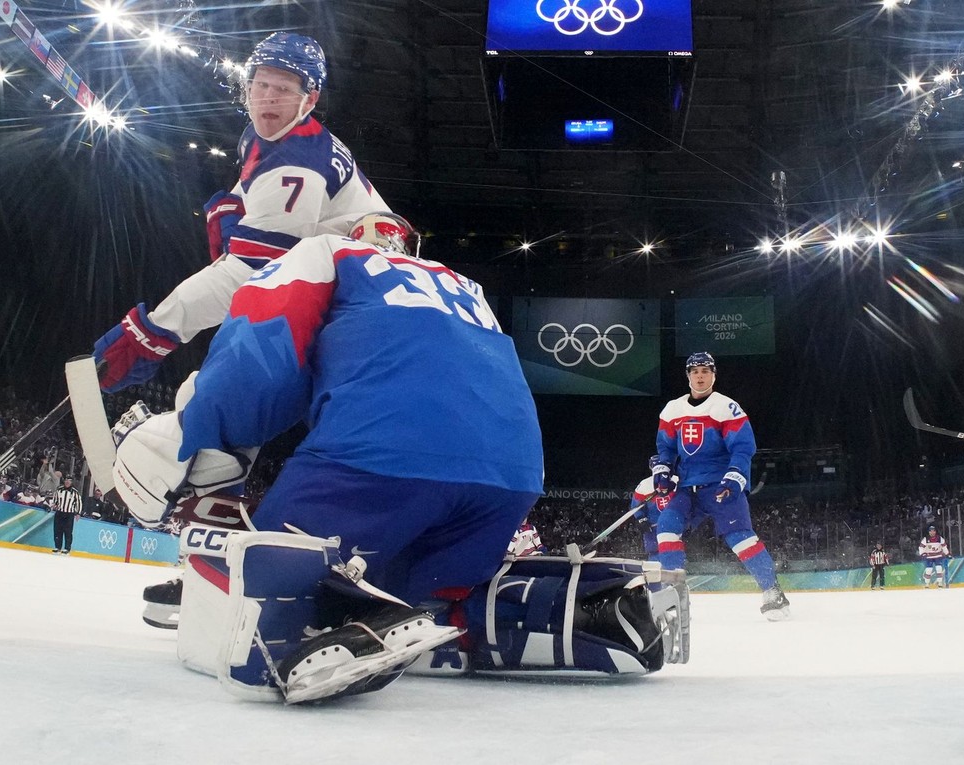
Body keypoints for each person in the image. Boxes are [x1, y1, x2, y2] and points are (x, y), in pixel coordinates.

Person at [110, 214, 680, 703]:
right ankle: (578, 609)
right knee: (430, 594)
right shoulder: (466, 287)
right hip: (510, 479)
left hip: (380, 459)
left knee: (270, 569)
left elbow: (261, 347)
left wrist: (196, 438)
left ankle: (303, 614)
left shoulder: (328, 252)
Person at [93, 32, 388, 393]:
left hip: (362, 301)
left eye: (282, 89)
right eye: (260, 84)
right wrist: (233, 205)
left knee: (244, 380)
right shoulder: (269, 133)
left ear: (309, 99)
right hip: (350, 268)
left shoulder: (298, 166)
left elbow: (253, 272)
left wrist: (156, 330)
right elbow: (254, 186)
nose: (267, 97)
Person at [651, 352, 790, 620]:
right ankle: (674, 595)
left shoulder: (726, 407)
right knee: (666, 526)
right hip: (686, 487)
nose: (700, 376)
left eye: (705, 371)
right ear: (688, 375)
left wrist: (735, 476)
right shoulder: (672, 410)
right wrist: (663, 470)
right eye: (695, 371)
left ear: (714, 375)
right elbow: (665, 448)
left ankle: (773, 591)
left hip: (719, 485)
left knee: (740, 537)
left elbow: (743, 447)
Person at [50, 476, 83, 555]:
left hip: (69, 514)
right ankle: (57, 547)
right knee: (57, 530)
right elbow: (55, 499)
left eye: (69, 481)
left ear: (71, 482)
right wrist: (54, 504)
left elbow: (79, 503)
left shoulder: (75, 492)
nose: (67, 482)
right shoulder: (59, 489)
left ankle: (67, 548)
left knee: (68, 532)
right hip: (59, 512)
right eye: (66, 480)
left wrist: (78, 513)